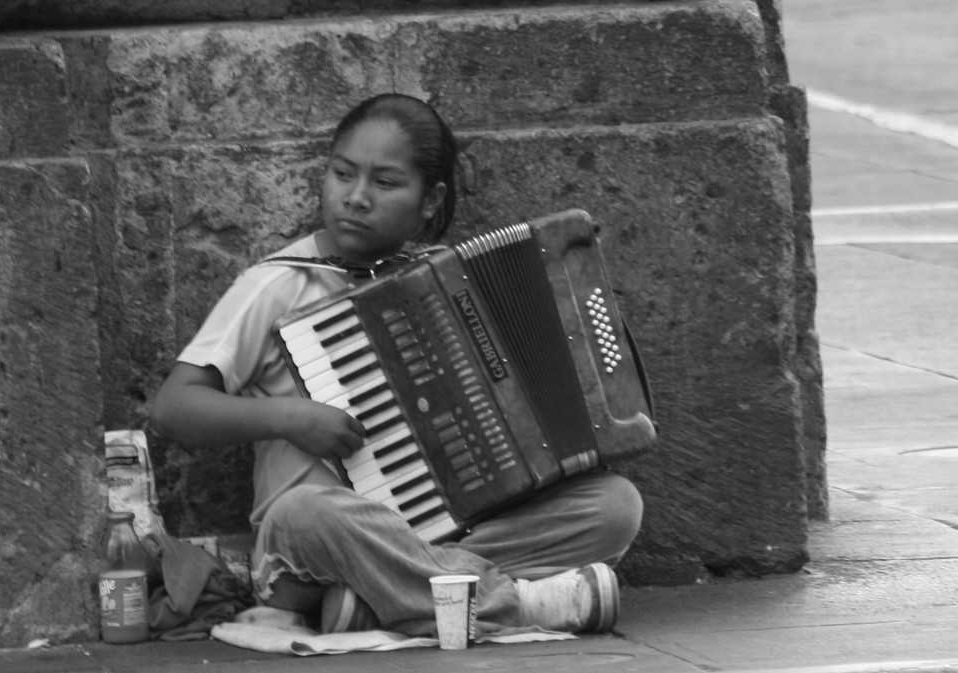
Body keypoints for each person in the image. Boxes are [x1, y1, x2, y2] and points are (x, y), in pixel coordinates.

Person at [150, 93, 643, 637]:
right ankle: (513, 605)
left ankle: (379, 600)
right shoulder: (277, 284)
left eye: (385, 184)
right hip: (312, 545)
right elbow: (173, 408)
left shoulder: (447, 277)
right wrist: (287, 418)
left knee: (615, 505)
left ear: (429, 201)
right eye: (342, 174)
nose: (356, 197)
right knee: (309, 513)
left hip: (452, 531)